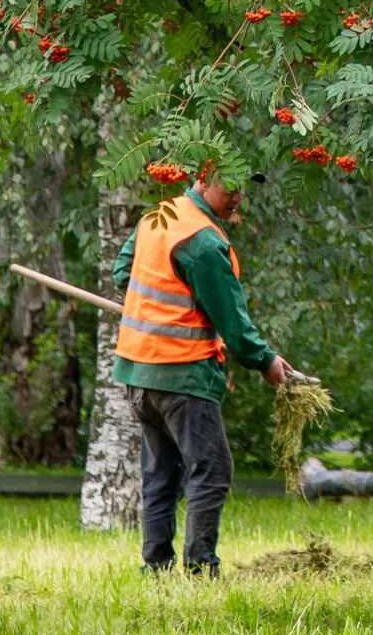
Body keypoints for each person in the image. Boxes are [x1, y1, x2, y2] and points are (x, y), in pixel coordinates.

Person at [106, 161, 303, 574]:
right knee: (211, 469)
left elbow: (123, 272)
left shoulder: (159, 217)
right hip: (182, 375)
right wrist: (265, 361)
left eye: (243, 187)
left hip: (139, 374)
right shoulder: (203, 243)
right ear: (203, 178)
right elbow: (232, 321)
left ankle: (155, 567)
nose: (237, 195)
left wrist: (161, 306)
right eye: (229, 184)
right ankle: (200, 568)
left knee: (160, 474)